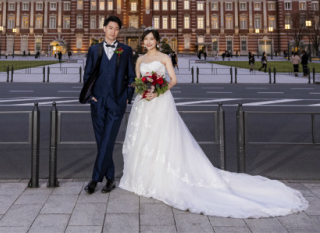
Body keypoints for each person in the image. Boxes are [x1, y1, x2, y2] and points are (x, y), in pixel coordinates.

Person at [120, 28, 307, 218]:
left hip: (160, 101)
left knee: (163, 137)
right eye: (146, 39)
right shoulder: (140, 60)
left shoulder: (165, 57)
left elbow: (173, 80)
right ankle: (144, 177)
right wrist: (143, 89)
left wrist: (157, 91)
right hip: (143, 103)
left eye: (152, 39)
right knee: (145, 137)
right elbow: (138, 80)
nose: (148, 42)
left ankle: (160, 178)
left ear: (157, 41)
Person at [82, 16, 135, 195]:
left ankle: (95, 179)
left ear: (119, 31)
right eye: (110, 28)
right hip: (98, 101)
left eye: (116, 29)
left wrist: (128, 96)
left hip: (117, 102)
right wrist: (91, 97)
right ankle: (110, 178)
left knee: (107, 138)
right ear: (104, 28)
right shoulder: (94, 50)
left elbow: (131, 76)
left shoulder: (126, 50)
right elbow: (87, 74)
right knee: (102, 141)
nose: (113, 31)